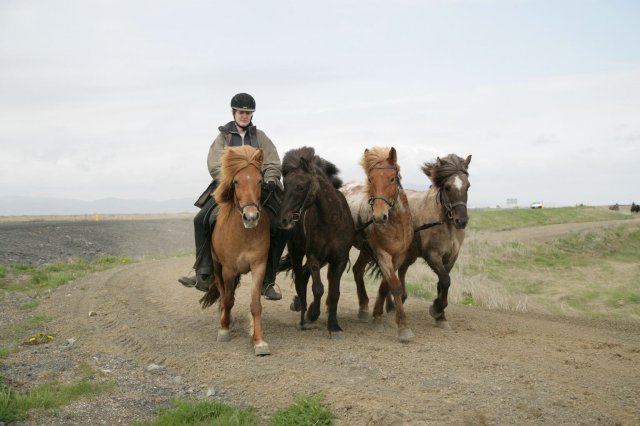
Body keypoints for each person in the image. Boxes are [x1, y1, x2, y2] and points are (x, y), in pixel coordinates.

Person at [178, 93, 286, 300]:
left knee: (280, 225)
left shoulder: (261, 137)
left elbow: (273, 162)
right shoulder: (223, 137)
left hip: (258, 190)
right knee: (201, 219)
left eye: (248, 113)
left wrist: (270, 179)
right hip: (229, 188)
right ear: (233, 113)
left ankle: (268, 279)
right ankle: (203, 271)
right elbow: (214, 163)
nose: (245, 116)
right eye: (241, 112)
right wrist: (229, 180)